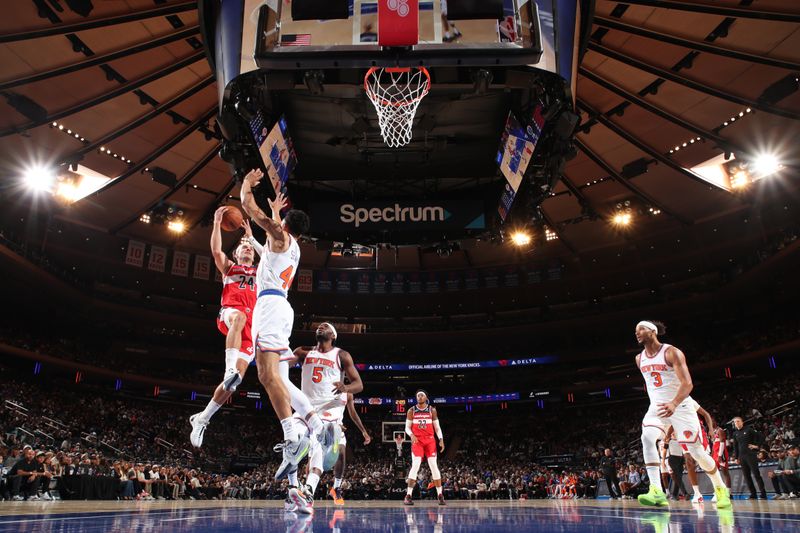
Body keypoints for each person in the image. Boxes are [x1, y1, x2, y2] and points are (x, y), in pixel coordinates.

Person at [240, 168, 311, 480]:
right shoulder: (291, 244)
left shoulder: (280, 237)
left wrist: (246, 184)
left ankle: (293, 437)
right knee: (268, 376)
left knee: (269, 376)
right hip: (276, 306)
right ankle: (296, 433)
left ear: (284, 225)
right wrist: (275, 212)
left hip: (270, 306)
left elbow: (248, 207)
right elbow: (270, 249)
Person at [634, 320, 731, 508]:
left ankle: (720, 489)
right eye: (635, 331)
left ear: (652, 331)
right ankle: (656, 491)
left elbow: (687, 383)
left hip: (681, 406)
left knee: (697, 453)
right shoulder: (639, 359)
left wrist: (674, 402)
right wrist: (660, 402)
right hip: (657, 408)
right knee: (647, 437)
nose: (637, 333)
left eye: (641, 329)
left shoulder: (672, 352)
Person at [190, 210, 258, 448]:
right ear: (236, 254)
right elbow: (217, 251)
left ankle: (202, 418)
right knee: (238, 317)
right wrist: (217, 223)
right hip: (230, 314)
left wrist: (252, 238)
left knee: (234, 383)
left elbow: (272, 255)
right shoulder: (230, 268)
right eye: (242, 247)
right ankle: (229, 366)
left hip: (251, 330)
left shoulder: (262, 272)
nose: (246, 248)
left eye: (249, 247)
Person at [283, 323, 365, 514]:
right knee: (292, 442)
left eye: (326, 327)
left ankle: (309, 490)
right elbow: (282, 367)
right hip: (305, 406)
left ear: (333, 336)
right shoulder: (302, 352)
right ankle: (293, 489)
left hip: (330, 409)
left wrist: (346, 388)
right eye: (319, 326)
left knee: (320, 446)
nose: (321, 327)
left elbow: (359, 384)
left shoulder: (341, 355)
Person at [329, 391, 372, 506]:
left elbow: (353, 413)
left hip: (338, 429)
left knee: (341, 454)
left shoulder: (347, 393)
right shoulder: (321, 387)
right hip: (319, 426)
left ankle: (336, 488)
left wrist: (363, 431)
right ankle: (308, 490)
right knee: (312, 461)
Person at [404, 390, 446, 506]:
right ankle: (408, 495)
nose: (419, 396)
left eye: (422, 395)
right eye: (418, 395)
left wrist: (441, 439)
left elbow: (437, 428)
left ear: (426, 397)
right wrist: (411, 435)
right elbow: (407, 428)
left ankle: (440, 495)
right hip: (417, 440)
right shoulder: (411, 410)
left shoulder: (432, 410)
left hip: (430, 440)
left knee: (433, 465)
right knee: (416, 464)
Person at [731, 416, 768, 499]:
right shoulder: (735, 433)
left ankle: (763, 493)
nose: (736, 423)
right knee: (747, 476)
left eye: (738, 421)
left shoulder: (748, 429)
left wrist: (757, 446)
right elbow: (735, 447)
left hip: (751, 455)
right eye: (735, 422)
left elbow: (761, 436)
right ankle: (753, 494)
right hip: (742, 457)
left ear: (742, 422)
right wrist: (737, 458)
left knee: (756, 474)